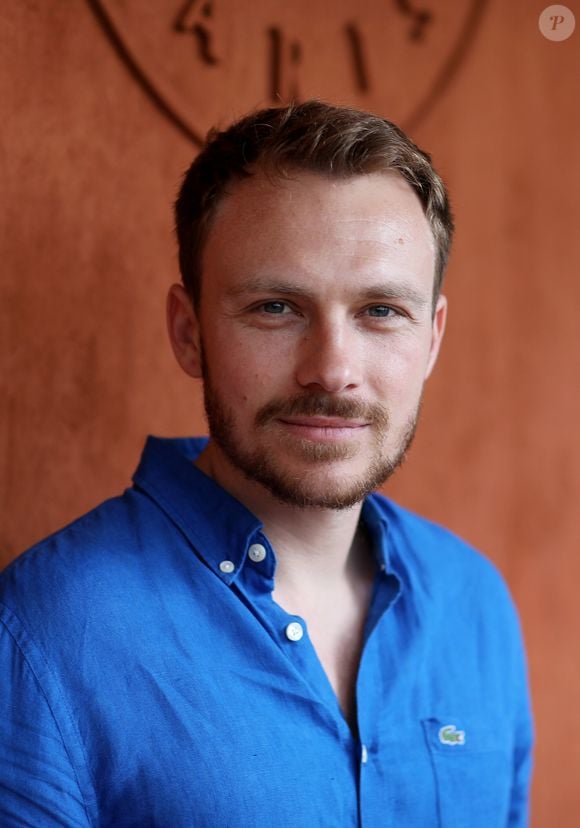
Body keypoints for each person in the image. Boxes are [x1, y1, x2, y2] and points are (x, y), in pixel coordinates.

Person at [0, 101, 532, 826]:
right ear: (189, 336)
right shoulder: (45, 630)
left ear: (432, 339)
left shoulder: (476, 606)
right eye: (277, 307)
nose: (332, 370)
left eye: (380, 310)